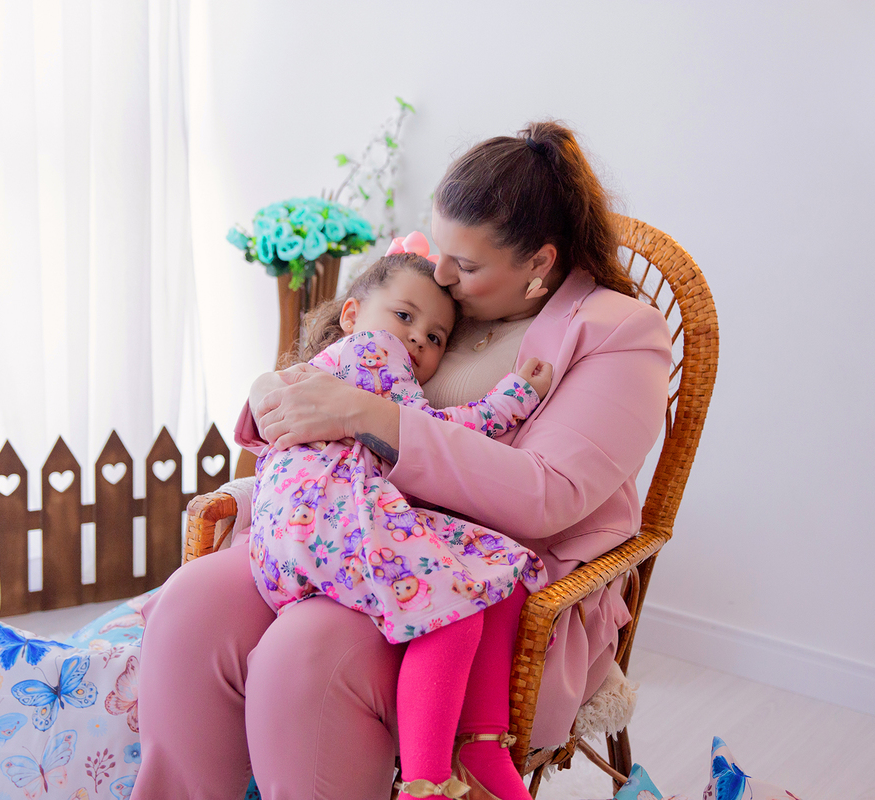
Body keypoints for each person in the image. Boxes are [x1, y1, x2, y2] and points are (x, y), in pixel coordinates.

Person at [133, 120, 674, 800]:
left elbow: (549, 495)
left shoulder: (621, 333)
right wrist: (277, 390)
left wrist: (372, 418)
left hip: (483, 582)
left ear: (538, 262)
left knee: (305, 657)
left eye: (466, 265)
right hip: (357, 529)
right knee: (190, 607)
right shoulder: (442, 289)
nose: (440, 273)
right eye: (440, 248)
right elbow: (337, 354)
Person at [244, 238, 552, 800]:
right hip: (331, 517)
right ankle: (426, 782)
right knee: (453, 604)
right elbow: (431, 429)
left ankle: (481, 742)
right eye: (404, 317)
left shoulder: (319, 372)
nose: (415, 337)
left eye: (434, 337)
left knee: (500, 569)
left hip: (290, 541)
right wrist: (515, 396)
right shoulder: (369, 353)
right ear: (353, 316)